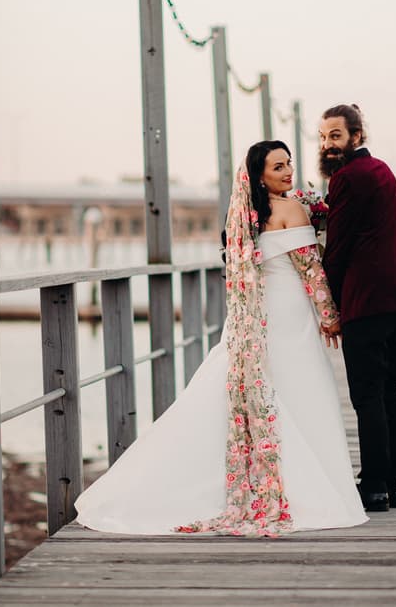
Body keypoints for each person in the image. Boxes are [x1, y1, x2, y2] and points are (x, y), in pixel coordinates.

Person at [75, 140, 367, 536]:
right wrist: (331, 318)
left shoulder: (242, 216)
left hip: (250, 320)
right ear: (258, 175)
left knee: (265, 391)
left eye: (289, 164)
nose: (287, 172)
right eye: (278, 167)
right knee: (302, 392)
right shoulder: (292, 209)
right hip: (288, 316)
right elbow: (310, 272)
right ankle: (308, 490)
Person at [319, 104, 396, 512]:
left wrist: (330, 303)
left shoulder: (347, 178)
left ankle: (374, 484)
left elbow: (338, 249)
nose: (327, 145)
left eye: (336, 136)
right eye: (323, 137)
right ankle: (394, 482)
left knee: (367, 394)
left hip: (366, 302)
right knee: (391, 387)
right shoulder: (384, 172)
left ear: (357, 136)